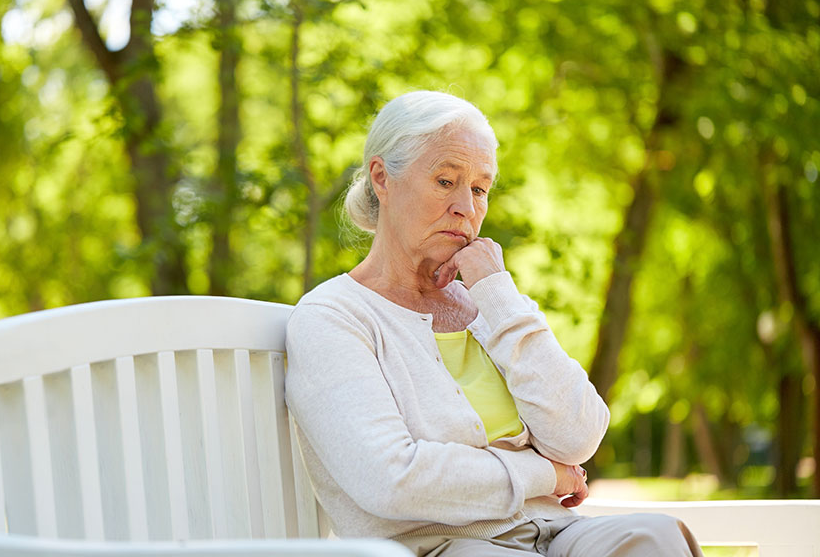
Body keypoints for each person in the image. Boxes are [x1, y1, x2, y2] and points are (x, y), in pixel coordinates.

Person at [284, 90, 702, 556]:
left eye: (480, 189)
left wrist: (499, 296)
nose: (466, 207)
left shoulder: (492, 303)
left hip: (555, 532)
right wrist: (544, 474)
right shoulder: (333, 318)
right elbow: (392, 479)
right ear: (382, 177)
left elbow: (579, 435)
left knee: (656, 536)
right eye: (446, 181)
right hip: (446, 546)